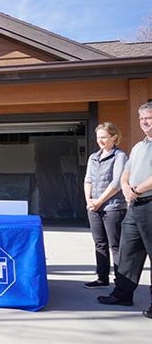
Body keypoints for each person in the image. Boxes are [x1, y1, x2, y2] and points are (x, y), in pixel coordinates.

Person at [97, 102, 152, 319]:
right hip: (135, 205)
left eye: (149, 117)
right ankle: (122, 294)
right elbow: (126, 172)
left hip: (148, 202)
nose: (144, 122)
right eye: (141, 119)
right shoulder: (139, 146)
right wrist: (128, 188)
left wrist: (136, 189)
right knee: (128, 252)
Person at [83, 122, 128, 288]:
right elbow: (88, 179)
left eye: (104, 137)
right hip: (94, 207)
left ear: (114, 137)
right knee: (99, 243)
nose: (100, 140)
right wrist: (89, 200)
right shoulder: (93, 157)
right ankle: (102, 278)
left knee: (115, 245)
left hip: (113, 207)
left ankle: (122, 282)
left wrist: (100, 200)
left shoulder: (120, 156)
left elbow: (117, 182)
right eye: (98, 137)